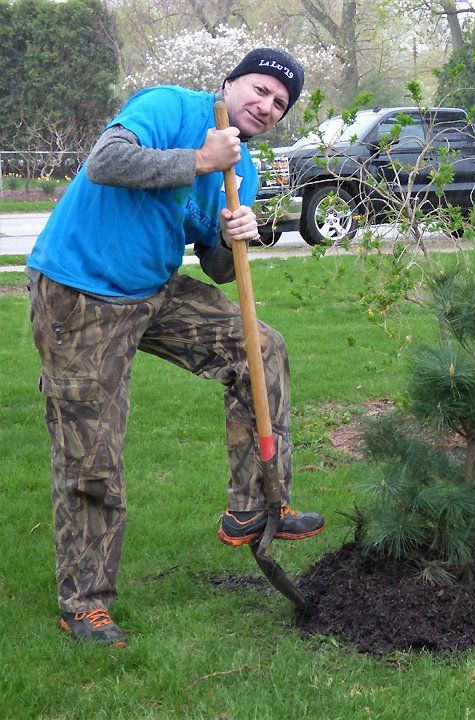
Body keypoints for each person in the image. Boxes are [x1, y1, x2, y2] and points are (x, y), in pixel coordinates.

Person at [27, 48, 325, 647]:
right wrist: (199, 160)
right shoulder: (168, 107)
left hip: (152, 289)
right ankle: (84, 603)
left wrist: (230, 234)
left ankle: (253, 507)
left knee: (258, 349)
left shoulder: (246, 170)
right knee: (93, 450)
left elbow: (218, 268)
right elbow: (107, 162)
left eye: (279, 103)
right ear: (232, 81)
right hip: (80, 292)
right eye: (261, 90)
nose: (266, 107)